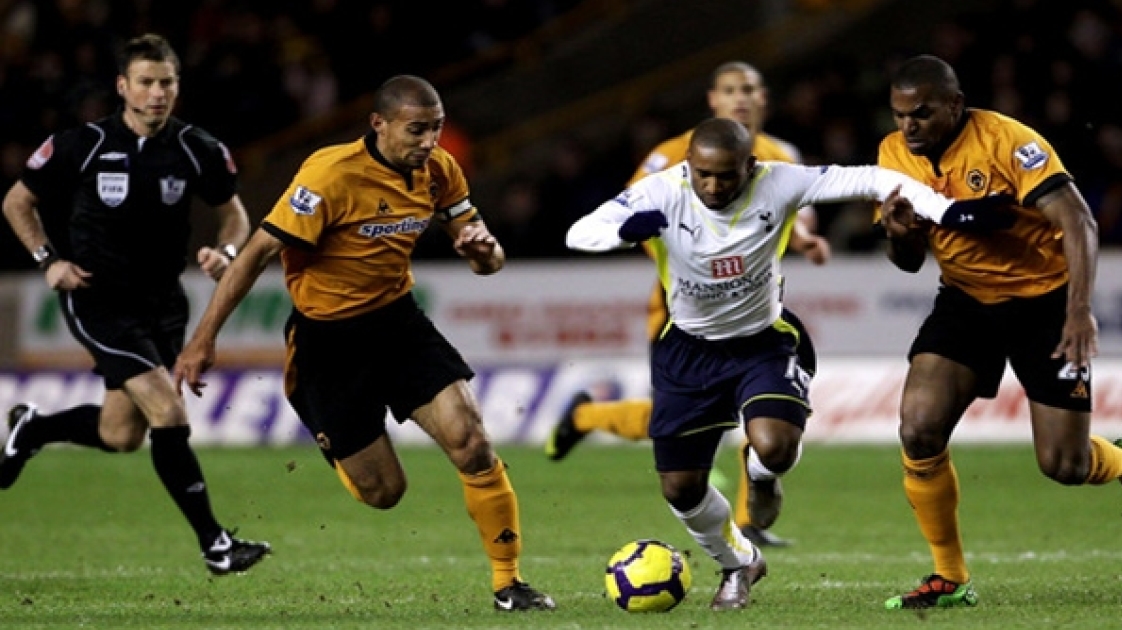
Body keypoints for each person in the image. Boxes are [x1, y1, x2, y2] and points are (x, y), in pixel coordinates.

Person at [566, 116, 1008, 610]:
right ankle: (740, 562)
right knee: (681, 489)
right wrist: (623, 232)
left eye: (726, 176)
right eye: (703, 175)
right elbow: (580, 232)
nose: (713, 186)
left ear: (751, 167)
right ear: (688, 165)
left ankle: (760, 474)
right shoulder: (662, 191)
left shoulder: (779, 182)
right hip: (688, 351)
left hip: (764, 343)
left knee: (774, 447)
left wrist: (948, 212)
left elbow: (874, 178)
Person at [172, 74, 556, 611]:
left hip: (399, 324)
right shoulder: (330, 174)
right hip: (327, 342)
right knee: (384, 492)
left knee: (471, 442)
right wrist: (203, 339)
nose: (429, 141)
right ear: (379, 124)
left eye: (436, 128)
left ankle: (508, 584)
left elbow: (489, 259)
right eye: (417, 130)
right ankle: (338, 443)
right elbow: (258, 252)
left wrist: (483, 251)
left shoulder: (439, 170)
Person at [875, 54, 1122, 611]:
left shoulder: (1009, 142)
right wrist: (899, 235)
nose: (907, 127)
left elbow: (1078, 220)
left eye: (920, 114)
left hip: (1045, 302)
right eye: (899, 115)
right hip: (966, 301)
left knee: (1065, 465)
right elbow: (909, 261)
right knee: (918, 428)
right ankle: (950, 577)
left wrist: (1079, 310)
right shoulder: (893, 155)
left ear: (954, 105)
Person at [0, 33, 270, 575]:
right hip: (97, 299)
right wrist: (48, 259)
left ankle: (33, 428)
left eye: (166, 82)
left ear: (177, 87)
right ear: (123, 86)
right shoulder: (84, 144)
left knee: (120, 435)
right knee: (168, 411)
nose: (157, 93)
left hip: (163, 305)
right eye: (146, 82)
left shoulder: (198, 148)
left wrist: (226, 251)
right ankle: (216, 545)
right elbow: (17, 201)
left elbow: (235, 214)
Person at [545, 61, 832, 549]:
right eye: (729, 90)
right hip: (681, 307)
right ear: (712, 100)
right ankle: (585, 417)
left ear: (763, 99)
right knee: (674, 420)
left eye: (748, 90)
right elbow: (632, 213)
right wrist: (690, 263)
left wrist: (804, 239)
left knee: (761, 405)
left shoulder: (783, 154)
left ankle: (750, 522)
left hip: (751, 300)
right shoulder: (672, 154)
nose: (740, 99)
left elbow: (794, 212)